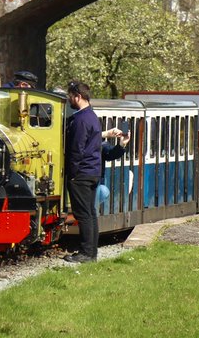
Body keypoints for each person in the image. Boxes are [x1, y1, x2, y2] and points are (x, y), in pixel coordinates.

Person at [63, 79, 122, 263]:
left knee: (83, 214)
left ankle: (87, 253)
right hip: (93, 172)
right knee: (90, 213)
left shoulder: (80, 120)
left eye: (70, 97)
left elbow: (76, 149)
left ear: (78, 97)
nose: (69, 100)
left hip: (81, 173)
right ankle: (91, 252)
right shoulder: (92, 117)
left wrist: (71, 173)